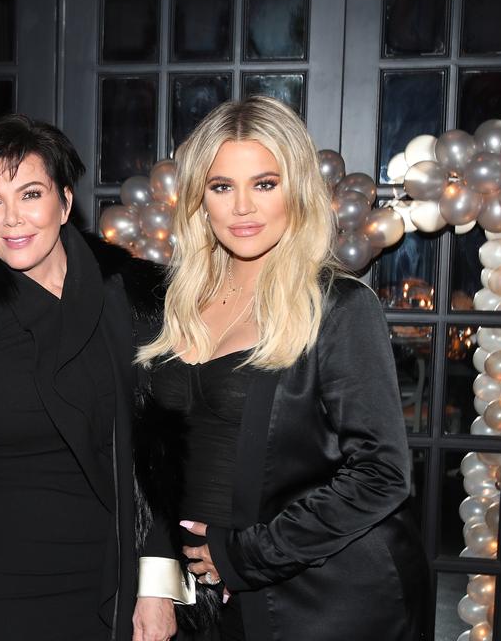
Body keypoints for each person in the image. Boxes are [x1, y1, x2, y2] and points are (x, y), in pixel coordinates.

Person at [0, 115, 205, 641]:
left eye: (30, 193)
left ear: (65, 202)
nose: (11, 219)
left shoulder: (131, 305)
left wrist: (157, 584)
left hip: (105, 578)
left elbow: (155, 455)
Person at [139, 97, 427, 640]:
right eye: (222, 186)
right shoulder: (173, 306)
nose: (243, 207)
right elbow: (153, 460)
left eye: (265, 184)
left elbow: (382, 473)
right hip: (201, 601)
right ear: (200, 199)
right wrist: (157, 576)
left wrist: (247, 554)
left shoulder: (339, 308)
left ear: (296, 190)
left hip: (322, 601)